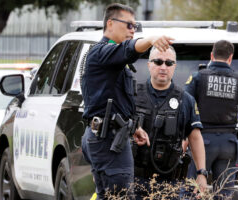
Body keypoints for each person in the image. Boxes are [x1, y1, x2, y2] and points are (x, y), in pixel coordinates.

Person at [81, 3, 174, 199]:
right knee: (121, 196)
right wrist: (149, 40)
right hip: (107, 140)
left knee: (110, 195)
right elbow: (128, 49)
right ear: (111, 23)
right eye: (129, 25)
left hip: (113, 136)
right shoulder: (101, 52)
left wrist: (134, 128)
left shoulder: (114, 61)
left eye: (136, 26)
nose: (133, 30)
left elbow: (117, 100)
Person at [185, 40, 238, 199]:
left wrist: (184, 137)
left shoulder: (198, 77)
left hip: (201, 143)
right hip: (228, 146)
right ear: (230, 58)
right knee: (224, 195)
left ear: (211, 55)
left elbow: (184, 106)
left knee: (192, 192)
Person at [132, 45, 207, 199]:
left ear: (174, 67)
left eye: (169, 63)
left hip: (168, 184)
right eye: (158, 62)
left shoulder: (185, 100)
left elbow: (195, 137)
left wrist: (201, 173)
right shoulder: (132, 95)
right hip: (133, 179)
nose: (163, 67)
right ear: (149, 64)